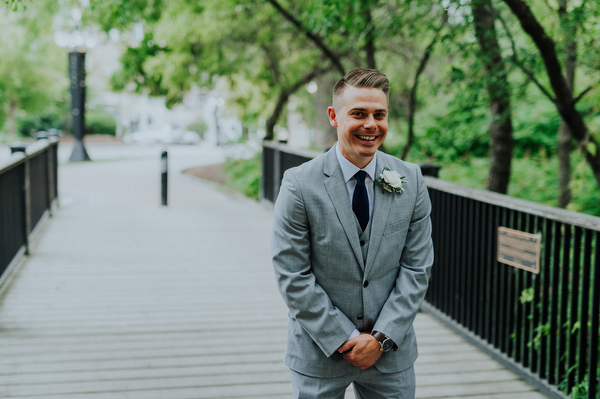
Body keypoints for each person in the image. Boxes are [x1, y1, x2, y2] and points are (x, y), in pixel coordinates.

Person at [271, 68, 434, 399]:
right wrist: (344, 337)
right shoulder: (299, 184)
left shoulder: (411, 180)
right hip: (320, 351)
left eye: (379, 114)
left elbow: (417, 269)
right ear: (334, 116)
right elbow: (292, 274)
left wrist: (381, 339)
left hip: (390, 352)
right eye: (358, 113)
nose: (371, 124)